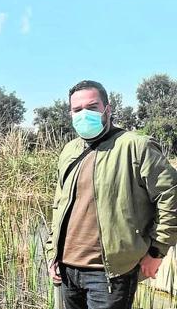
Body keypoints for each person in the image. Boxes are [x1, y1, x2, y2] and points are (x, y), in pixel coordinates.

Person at [46, 80, 177, 309]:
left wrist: (157, 251)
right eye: (77, 110)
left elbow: (171, 198)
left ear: (108, 109)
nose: (84, 114)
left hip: (110, 275)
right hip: (67, 270)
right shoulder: (70, 150)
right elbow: (58, 205)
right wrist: (52, 253)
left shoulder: (136, 147)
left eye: (92, 107)